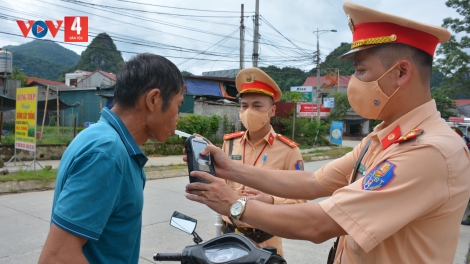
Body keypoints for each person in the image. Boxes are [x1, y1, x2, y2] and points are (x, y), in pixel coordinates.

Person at [184, 2, 470, 263]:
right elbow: (312, 183)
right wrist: (231, 169)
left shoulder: (428, 151)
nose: (352, 84)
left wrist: (233, 203)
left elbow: (319, 224)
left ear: (401, 73)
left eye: (361, 71)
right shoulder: (380, 139)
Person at [38, 53, 185, 263]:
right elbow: (57, 258)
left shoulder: (103, 139)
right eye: (178, 105)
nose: (177, 116)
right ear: (153, 99)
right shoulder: (107, 153)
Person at [220, 67, 305, 256]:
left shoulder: (288, 150)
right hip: (229, 240)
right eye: (244, 105)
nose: (249, 111)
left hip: (265, 243)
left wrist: (271, 200)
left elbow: (300, 199)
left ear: (272, 111)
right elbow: (219, 184)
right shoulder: (229, 144)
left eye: (257, 106)